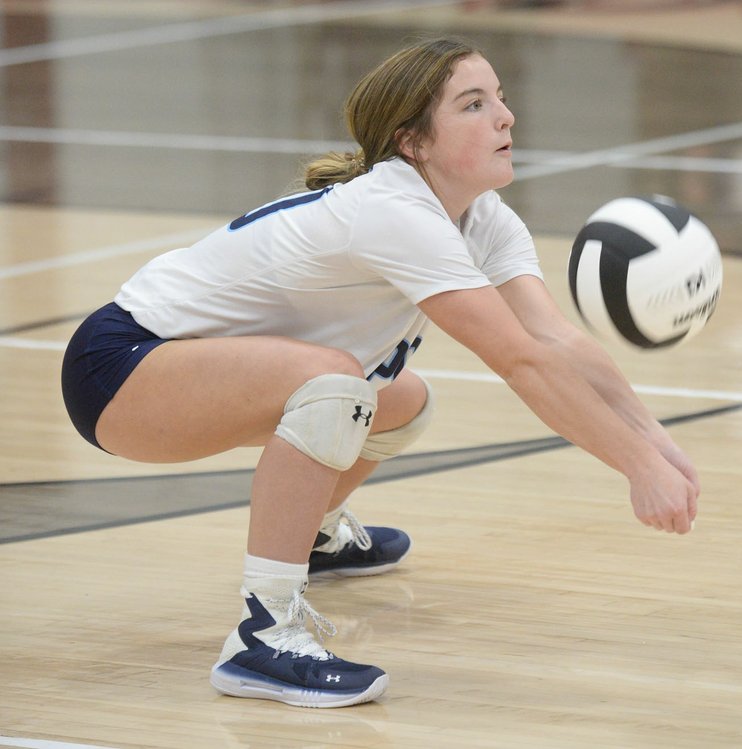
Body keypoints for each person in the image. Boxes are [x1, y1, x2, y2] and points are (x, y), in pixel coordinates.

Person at [61, 36, 700, 709]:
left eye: (501, 100)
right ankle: (263, 633)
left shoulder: (481, 217)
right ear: (414, 143)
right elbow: (518, 360)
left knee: (404, 398)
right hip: (120, 368)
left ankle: (308, 533)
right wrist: (634, 465)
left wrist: (656, 442)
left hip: (173, 370)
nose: (506, 118)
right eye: (474, 105)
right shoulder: (393, 210)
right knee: (335, 383)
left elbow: (555, 340)